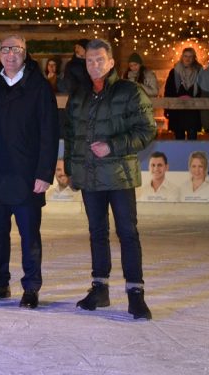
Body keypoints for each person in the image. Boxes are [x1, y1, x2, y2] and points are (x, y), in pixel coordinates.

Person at [64, 38, 157, 320]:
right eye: (89, 61)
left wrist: (112, 146)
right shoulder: (79, 95)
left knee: (127, 233)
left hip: (119, 176)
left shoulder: (130, 91)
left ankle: (135, 293)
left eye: (99, 60)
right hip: (89, 175)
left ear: (111, 62)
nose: (94, 65)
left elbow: (146, 130)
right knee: (97, 232)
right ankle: (100, 288)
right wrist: (71, 170)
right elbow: (71, 135)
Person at [0, 34, 59, 309]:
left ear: (25, 52)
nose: (10, 54)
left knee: (29, 236)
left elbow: (49, 133)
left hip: (28, 176)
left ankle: (31, 286)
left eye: (16, 49)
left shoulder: (39, 87)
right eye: (5, 49)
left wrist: (44, 173)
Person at [164, 47, 202, 140]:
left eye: (190, 56)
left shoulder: (199, 71)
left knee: (192, 138)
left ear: (194, 58)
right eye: (185, 56)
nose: (187, 59)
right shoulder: (174, 71)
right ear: (182, 57)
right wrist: (167, 108)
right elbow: (168, 90)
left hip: (193, 110)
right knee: (179, 138)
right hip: (178, 110)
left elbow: (202, 90)